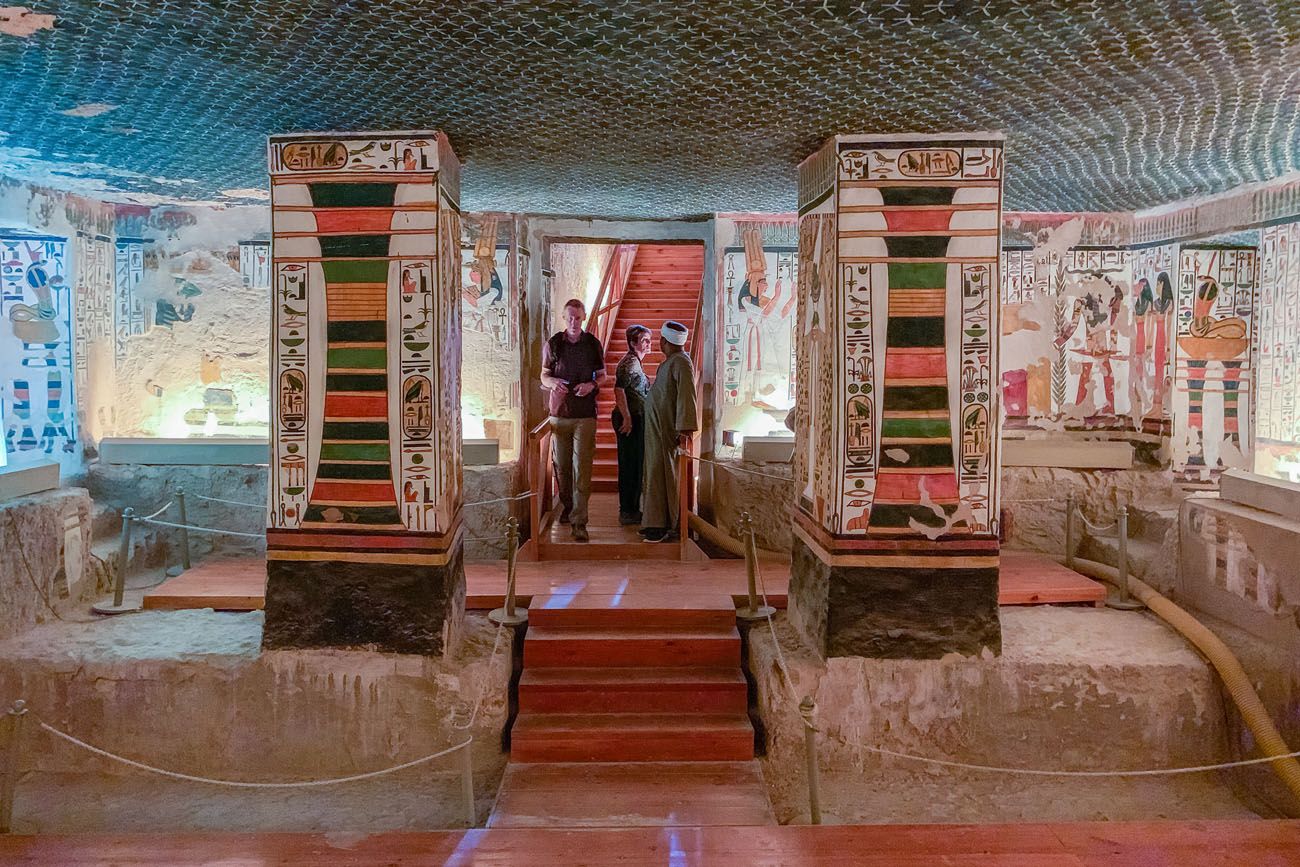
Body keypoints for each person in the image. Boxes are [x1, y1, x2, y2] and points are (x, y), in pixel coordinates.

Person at [541, 298, 605, 542]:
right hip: (560, 414)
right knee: (563, 467)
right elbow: (544, 375)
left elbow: (602, 376)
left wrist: (591, 386)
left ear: (584, 317)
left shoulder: (592, 344)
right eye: (570, 317)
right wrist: (553, 383)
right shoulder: (554, 344)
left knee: (582, 469)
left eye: (578, 318)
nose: (574, 322)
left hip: (585, 415)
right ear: (563, 318)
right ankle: (568, 505)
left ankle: (580, 521)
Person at [641, 320, 698, 543]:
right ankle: (652, 521)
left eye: (660, 340)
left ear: (664, 341)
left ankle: (661, 525)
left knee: (661, 474)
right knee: (654, 473)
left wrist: (684, 428)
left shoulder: (682, 363)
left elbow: (686, 396)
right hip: (657, 430)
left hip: (667, 432)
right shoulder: (670, 362)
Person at [612, 324, 652, 525]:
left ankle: (632, 509)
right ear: (632, 343)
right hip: (629, 419)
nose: (648, 343)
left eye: (648, 339)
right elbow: (619, 390)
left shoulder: (636, 362)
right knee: (630, 465)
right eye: (644, 340)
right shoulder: (629, 363)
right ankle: (627, 511)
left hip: (636, 416)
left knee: (636, 464)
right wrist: (627, 418)